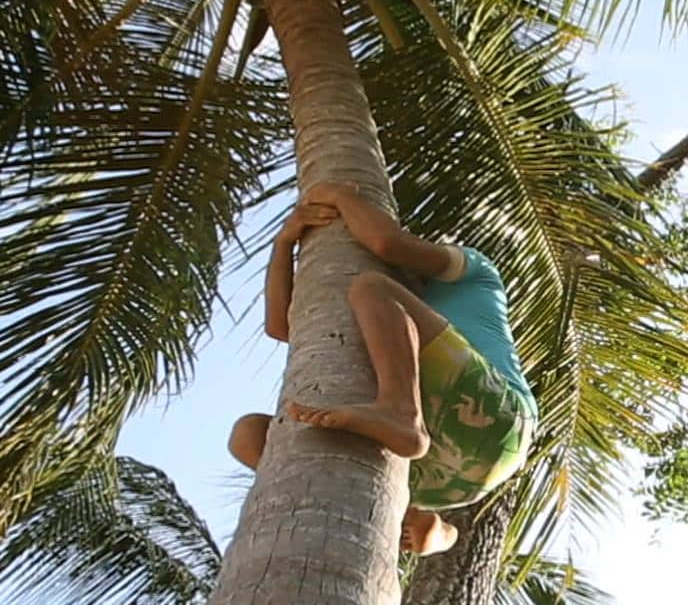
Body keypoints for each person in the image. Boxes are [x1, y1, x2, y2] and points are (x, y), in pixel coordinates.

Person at [227, 182, 538, 556]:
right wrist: (284, 243)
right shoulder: (390, 325)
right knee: (248, 435)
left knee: (372, 285)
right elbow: (283, 324)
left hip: (500, 417)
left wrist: (341, 194)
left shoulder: (474, 271)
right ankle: (432, 528)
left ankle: (401, 413)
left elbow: (386, 243)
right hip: (438, 479)